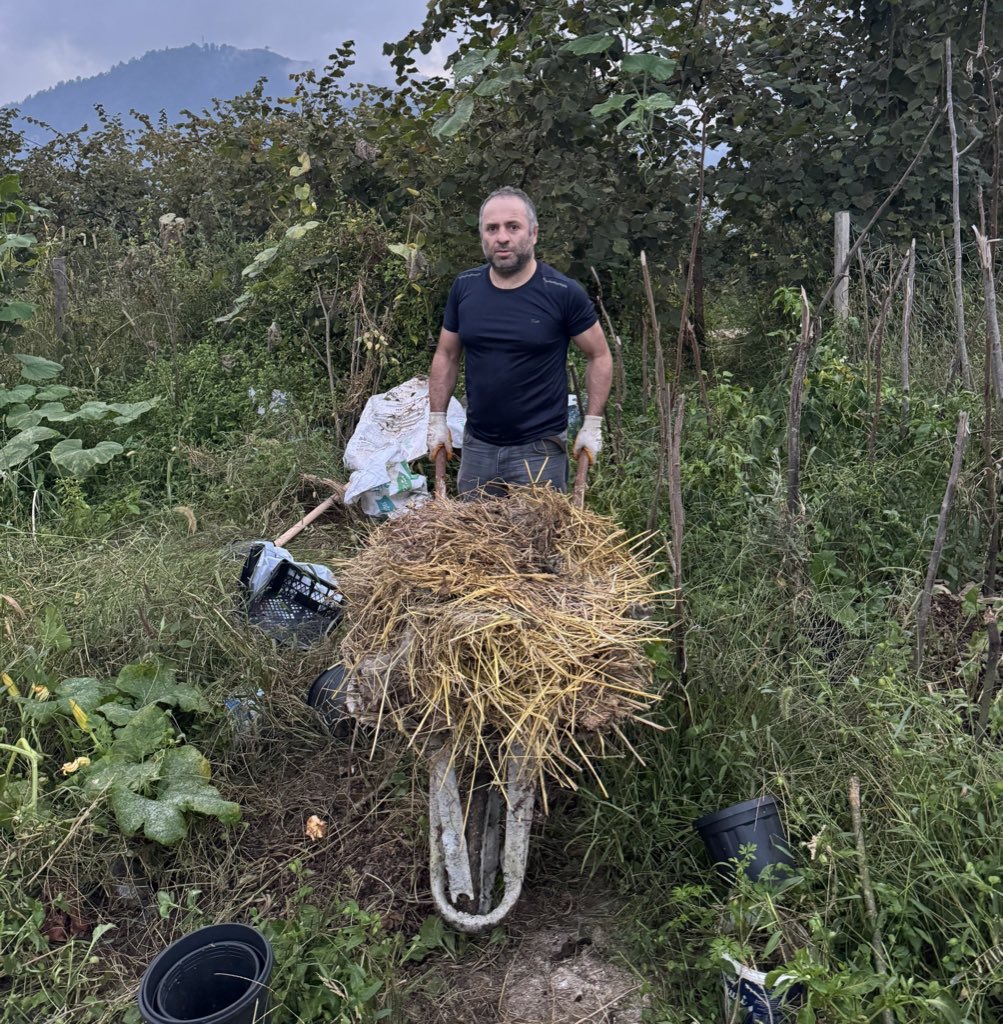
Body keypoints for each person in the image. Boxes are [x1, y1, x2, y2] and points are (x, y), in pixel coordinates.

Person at [426, 186, 613, 496]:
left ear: (534, 233)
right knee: (473, 542)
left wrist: (592, 423)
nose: (502, 237)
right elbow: (446, 354)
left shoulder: (562, 292)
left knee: (538, 543)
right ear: (482, 235)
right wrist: (437, 419)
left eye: (513, 227)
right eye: (492, 228)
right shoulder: (465, 287)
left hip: (539, 452)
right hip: (478, 448)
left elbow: (600, 355)